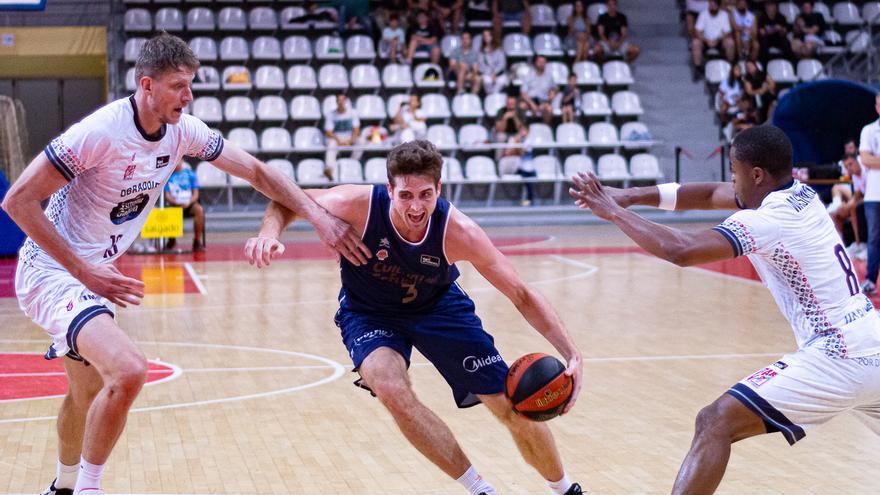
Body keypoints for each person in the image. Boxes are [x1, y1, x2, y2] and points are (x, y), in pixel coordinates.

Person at [0, 33, 370, 495]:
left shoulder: (184, 131)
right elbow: (17, 201)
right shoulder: (98, 133)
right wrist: (83, 270)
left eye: (191, 84)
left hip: (93, 272)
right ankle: (87, 491)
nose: (189, 96)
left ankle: (63, 486)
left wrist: (317, 217)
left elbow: (257, 171)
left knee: (86, 392)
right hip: (52, 271)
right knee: (130, 370)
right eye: (179, 85)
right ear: (147, 85)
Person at [246, 140, 584, 495]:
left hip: (439, 308)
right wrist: (269, 234)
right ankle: (480, 489)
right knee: (389, 386)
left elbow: (521, 293)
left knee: (511, 407)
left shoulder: (459, 232)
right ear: (389, 190)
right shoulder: (355, 205)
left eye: (426, 194)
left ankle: (564, 490)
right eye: (405, 195)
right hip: (369, 312)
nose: (416, 206)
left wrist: (572, 353)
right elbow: (285, 199)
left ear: (439, 189)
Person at [569, 124, 880, 495]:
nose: (731, 184)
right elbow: (710, 194)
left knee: (715, 422)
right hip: (872, 339)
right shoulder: (800, 194)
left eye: (734, 174)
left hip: (837, 354)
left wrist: (613, 212)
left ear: (757, 175)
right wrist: (632, 195)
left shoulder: (766, 221)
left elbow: (681, 250)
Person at [859, 94, 880, 294]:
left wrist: (876, 159)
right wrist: (871, 159)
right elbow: (865, 159)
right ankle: (871, 280)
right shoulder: (869, 130)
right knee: (873, 238)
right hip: (874, 194)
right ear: (876, 106)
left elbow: (872, 159)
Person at [829, 153, 867, 260]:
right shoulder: (854, 175)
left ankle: (862, 244)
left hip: (873, 200)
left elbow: (869, 195)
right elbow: (858, 194)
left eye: (851, 164)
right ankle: (848, 245)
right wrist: (847, 205)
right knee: (841, 210)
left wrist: (851, 204)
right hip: (865, 199)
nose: (849, 168)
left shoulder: (866, 169)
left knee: (854, 207)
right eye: (846, 167)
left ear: (857, 160)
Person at [163, 161, 205, 252]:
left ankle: (197, 241)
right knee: (169, 211)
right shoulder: (168, 176)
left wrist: (189, 202)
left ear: (181, 160)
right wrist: (174, 201)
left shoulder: (191, 174)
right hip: (174, 204)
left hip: (188, 204)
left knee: (199, 210)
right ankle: (171, 240)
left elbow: (195, 194)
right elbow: (167, 195)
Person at [324, 93, 364, 181]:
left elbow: (356, 129)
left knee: (361, 141)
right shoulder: (331, 115)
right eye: (339, 100)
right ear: (336, 102)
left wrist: (350, 140)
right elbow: (328, 132)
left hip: (349, 139)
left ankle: (353, 162)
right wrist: (339, 140)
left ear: (346, 101)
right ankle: (330, 169)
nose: (341, 102)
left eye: (343, 100)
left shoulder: (352, 112)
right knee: (331, 143)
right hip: (337, 139)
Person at [692, 0, 735, 71]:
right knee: (695, 43)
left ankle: (730, 67)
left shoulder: (724, 15)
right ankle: (698, 68)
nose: (712, 6)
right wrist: (706, 40)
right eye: (711, 5)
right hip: (705, 41)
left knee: (730, 42)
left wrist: (717, 40)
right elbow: (697, 31)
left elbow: (727, 32)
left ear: (718, 6)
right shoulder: (703, 14)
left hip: (719, 41)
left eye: (714, 5)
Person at [520, 55, 557, 125]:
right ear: (535, 63)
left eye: (544, 62)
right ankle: (523, 129)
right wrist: (532, 104)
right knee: (521, 106)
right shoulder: (529, 75)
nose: (542, 64)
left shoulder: (549, 76)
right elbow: (523, 93)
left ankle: (545, 129)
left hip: (543, 101)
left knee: (549, 109)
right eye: (540, 62)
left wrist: (550, 98)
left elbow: (555, 89)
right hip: (530, 101)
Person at [477, 29, 508, 95]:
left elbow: (502, 64)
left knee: (501, 81)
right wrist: (490, 73)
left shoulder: (499, 49)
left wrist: (495, 73)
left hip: (499, 73)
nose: (486, 37)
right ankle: (491, 99)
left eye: (488, 35)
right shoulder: (481, 51)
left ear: (492, 36)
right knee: (487, 81)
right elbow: (481, 65)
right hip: (487, 74)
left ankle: (493, 97)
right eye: (485, 36)